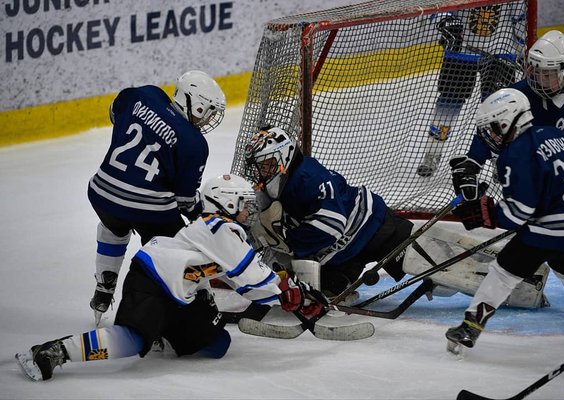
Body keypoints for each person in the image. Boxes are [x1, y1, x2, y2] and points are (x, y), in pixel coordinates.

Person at [15, 174, 323, 381]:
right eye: (245, 206)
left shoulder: (217, 230)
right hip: (151, 280)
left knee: (216, 344)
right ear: (228, 204)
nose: (249, 213)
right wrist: (289, 295)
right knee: (133, 340)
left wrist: (286, 290)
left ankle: (161, 331)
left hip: (181, 293)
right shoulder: (218, 228)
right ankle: (56, 351)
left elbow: (243, 278)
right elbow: (251, 277)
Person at [445, 88, 564, 353]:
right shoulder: (552, 133)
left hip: (555, 228)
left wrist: (484, 213)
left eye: (492, 129)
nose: (490, 136)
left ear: (505, 122)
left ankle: (470, 326)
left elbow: (519, 213)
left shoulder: (514, 153)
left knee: (504, 271)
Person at [449, 30, 564, 278]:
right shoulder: (518, 95)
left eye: (547, 73)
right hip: (545, 186)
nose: (538, 79)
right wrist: (472, 163)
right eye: (534, 71)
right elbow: (492, 132)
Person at [87, 70, 226, 325]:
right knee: (178, 250)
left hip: (101, 190)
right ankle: (192, 305)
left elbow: (115, 114)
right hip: (148, 209)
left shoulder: (144, 95)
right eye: (208, 111)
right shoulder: (194, 144)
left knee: (113, 225)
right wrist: (205, 216)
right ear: (195, 105)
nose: (208, 120)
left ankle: (103, 289)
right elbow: (185, 201)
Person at [244, 126, 414, 300]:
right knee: (317, 295)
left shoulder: (307, 178)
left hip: (375, 227)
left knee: (428, 267)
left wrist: (291, 242)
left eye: (268, 165)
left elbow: (332, 224)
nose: (262, 172)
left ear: (285, 156)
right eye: (260, 167)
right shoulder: (275, 185)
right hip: (341, 255)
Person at [417, 5, 525, 177]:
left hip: (501, 51)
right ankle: (432, 153)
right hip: (461, 50)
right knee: (449, 101)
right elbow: (436, 4)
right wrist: (445, 21)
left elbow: (520, 16)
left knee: (499, 108)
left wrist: (522, 49)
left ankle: (500, 158)